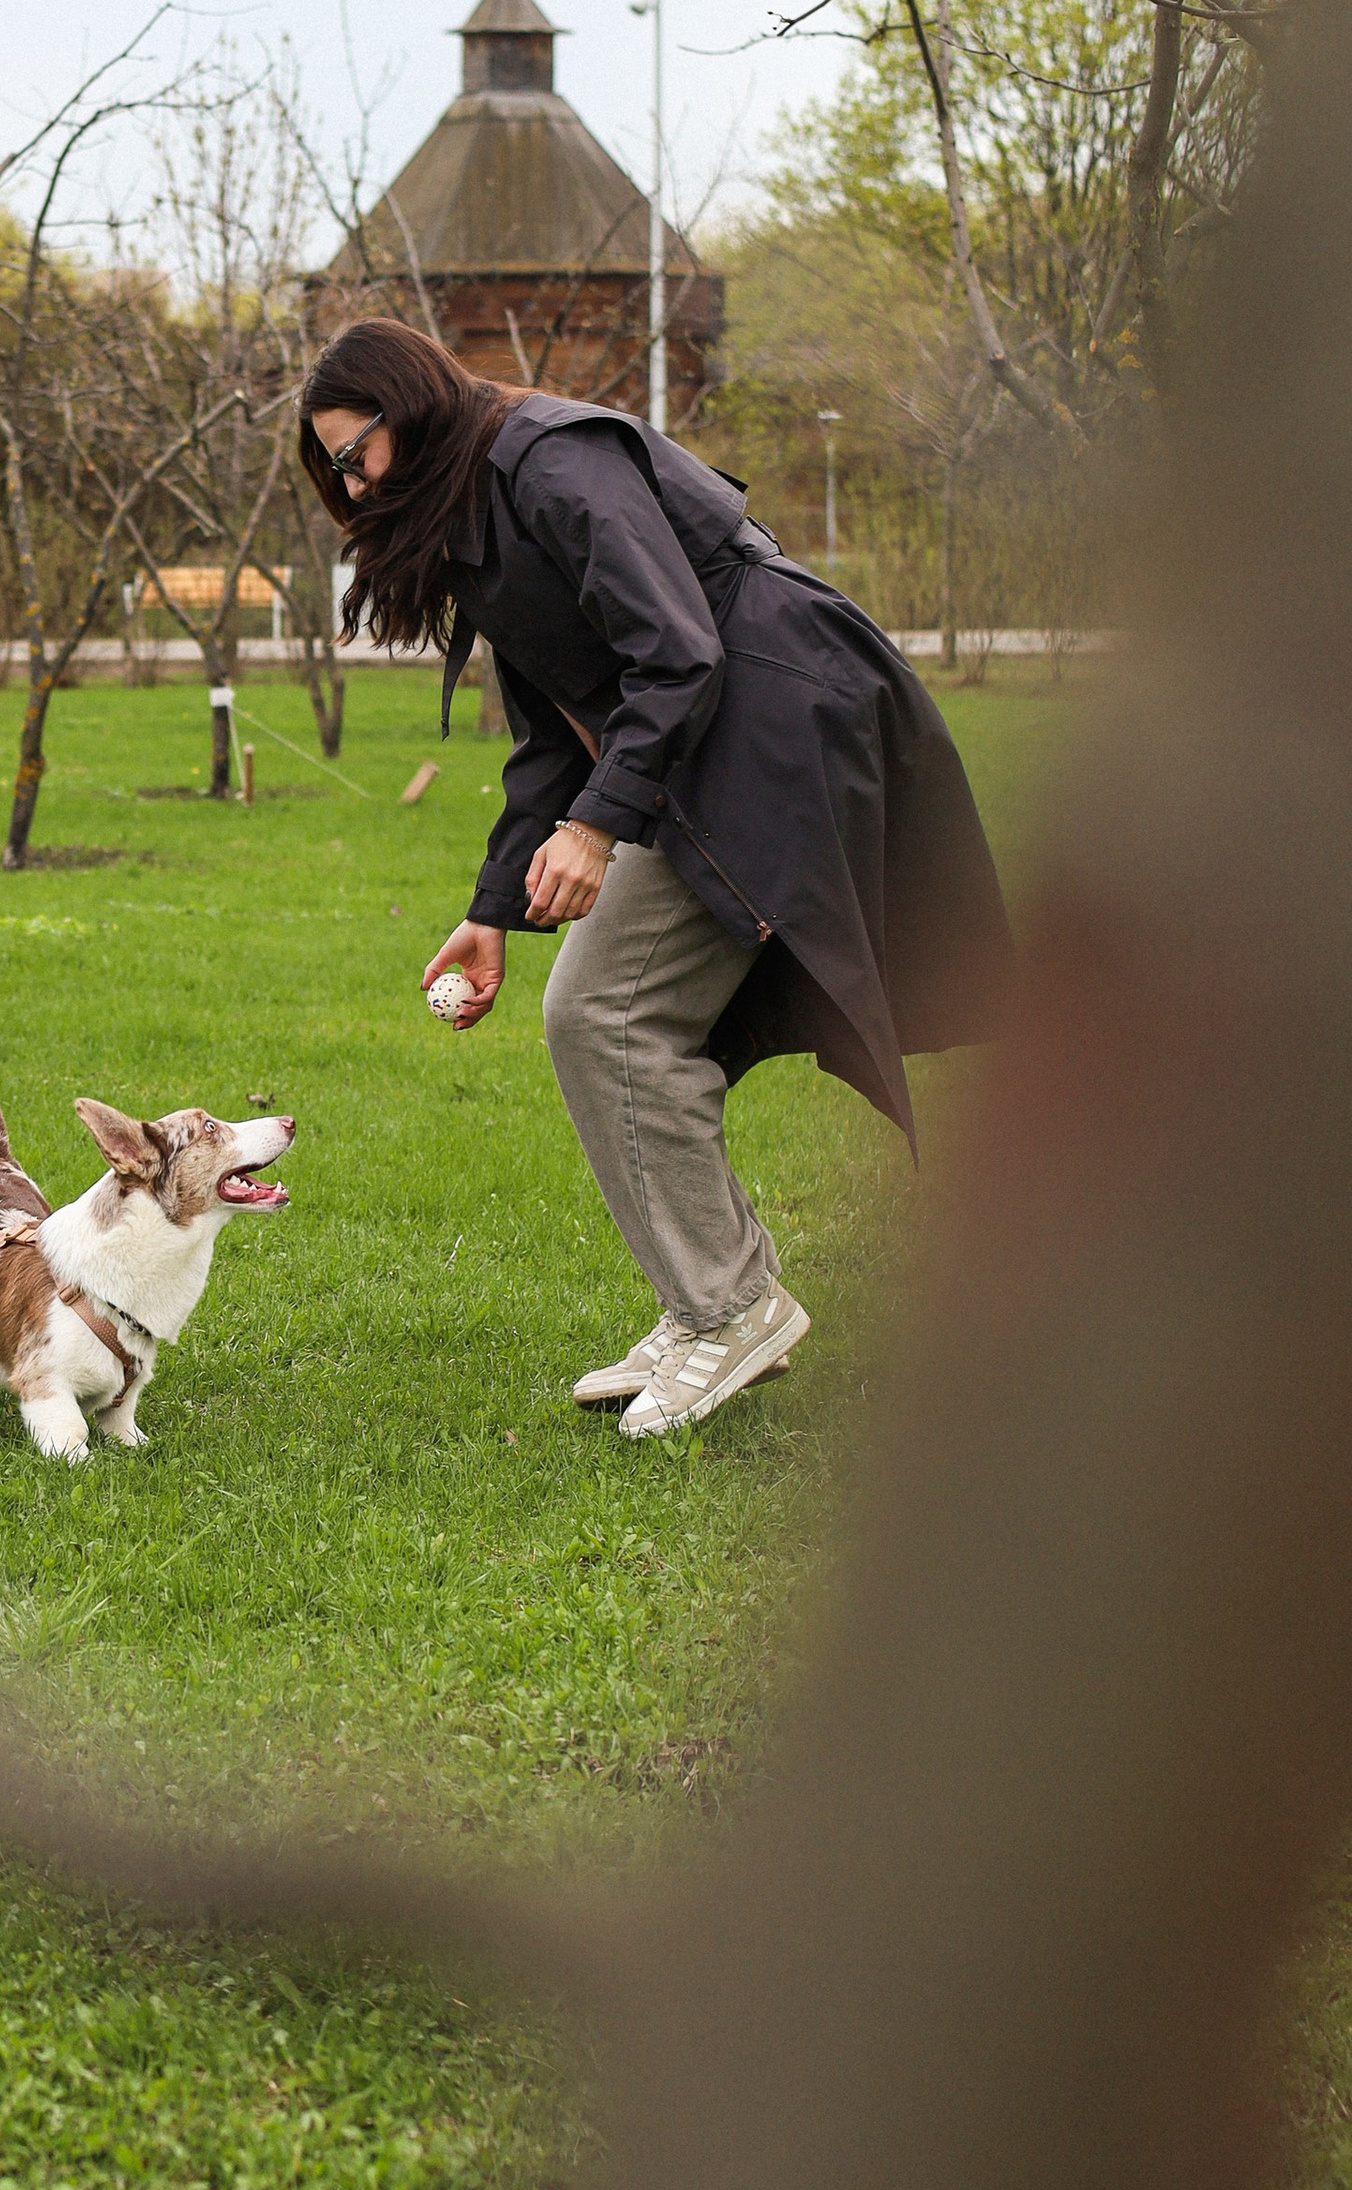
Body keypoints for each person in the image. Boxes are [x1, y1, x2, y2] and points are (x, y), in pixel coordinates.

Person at [301, 321, 1010, 1439]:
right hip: (710, 736)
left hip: (772, 722)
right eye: (334, 468)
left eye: (356, 452)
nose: (353, 484)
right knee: (605, 1018)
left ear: (413, 402)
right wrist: (492, 910)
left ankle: (730, 1308)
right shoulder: (481, 503)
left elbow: (680, 650)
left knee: (606, 1015)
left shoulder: (549, 463)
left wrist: (594, 829)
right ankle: (712, 1302)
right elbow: (554, 728)